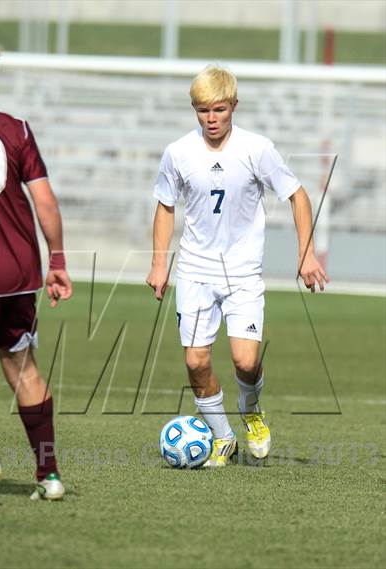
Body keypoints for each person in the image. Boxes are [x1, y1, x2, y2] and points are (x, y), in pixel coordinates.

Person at [146, 65, 329, 467]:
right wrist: (160, 264)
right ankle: (223, 438)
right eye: (202, 111)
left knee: (246, 361)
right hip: (195, 270)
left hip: (243, 273)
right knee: (196, 362)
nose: (211, 119)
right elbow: (164, 205)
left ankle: (250, 411)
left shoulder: (256, 148)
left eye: (219, 110)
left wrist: (306, 253)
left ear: (234, 106)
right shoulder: (178, 152)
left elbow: (298, 195)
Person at [0, 26, 72, 503]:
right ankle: (49, 476)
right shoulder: (16, 128)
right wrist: (58, 261)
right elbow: (45, 202)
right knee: (24, 369)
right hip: (21, 270)